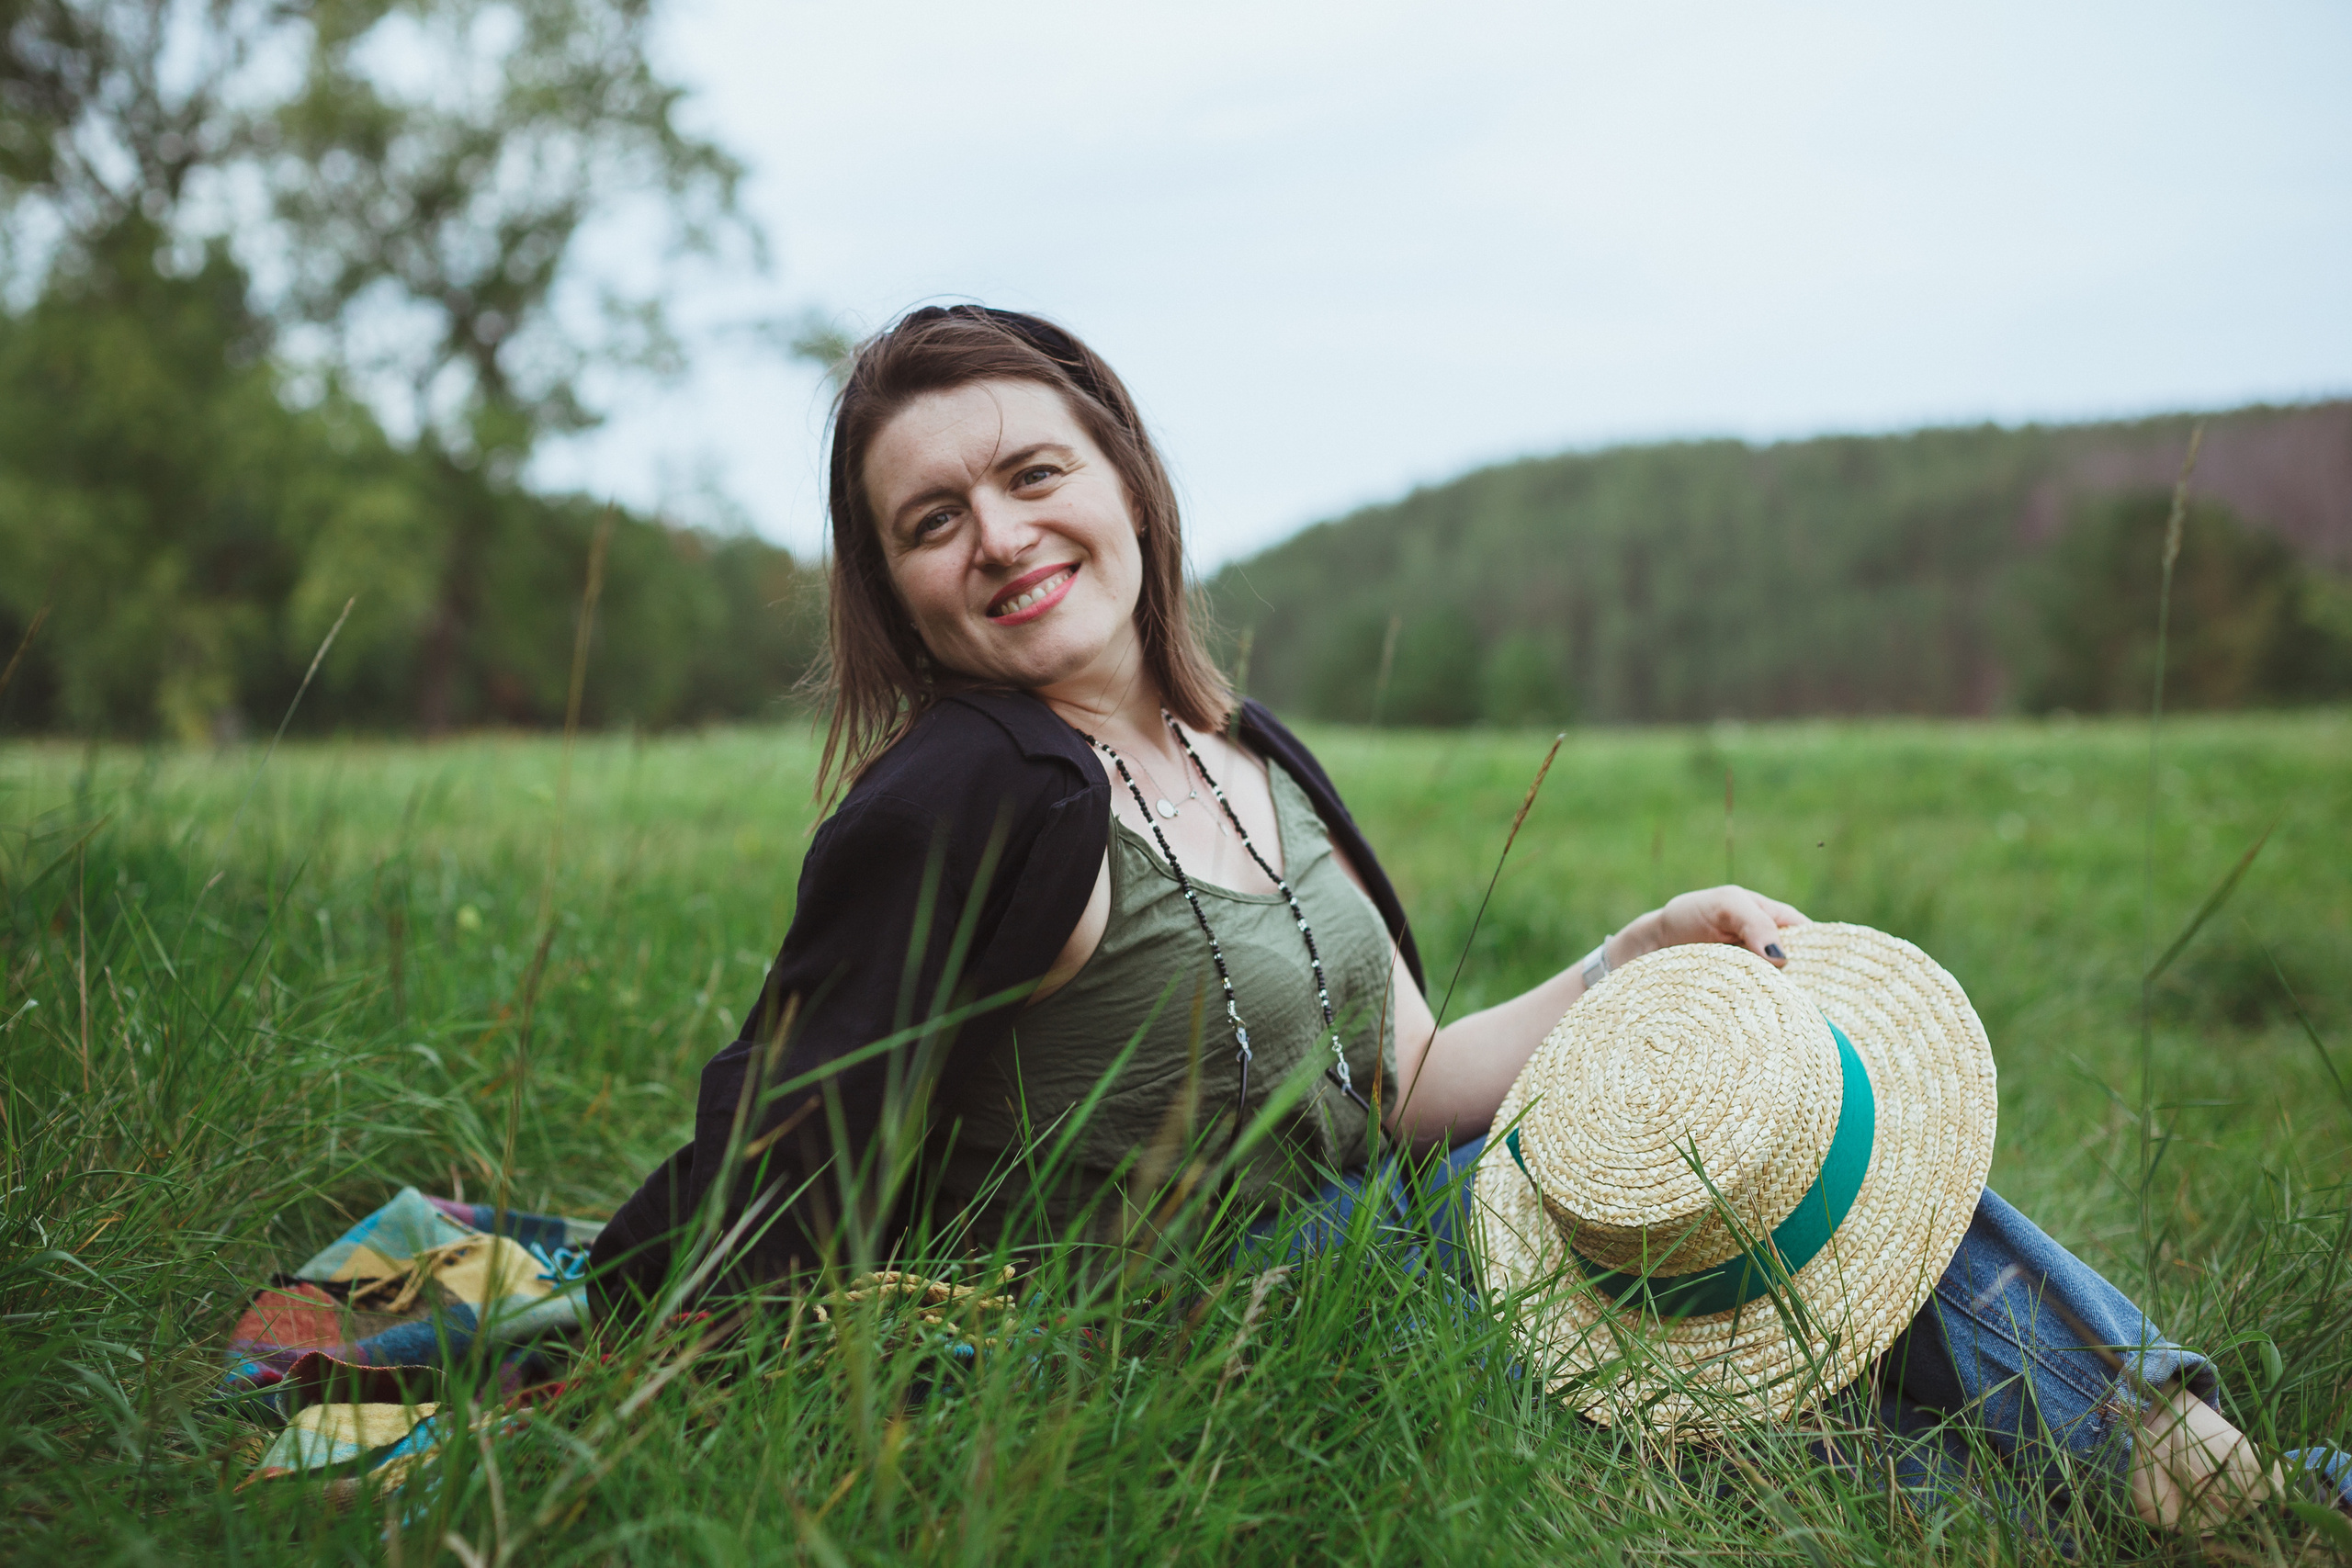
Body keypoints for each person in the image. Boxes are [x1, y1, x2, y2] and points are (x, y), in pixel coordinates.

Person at [589, 304, 2333, 1533]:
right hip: (1196, 1353)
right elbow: (783, 1125)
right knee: (1764, 1183)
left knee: (1798, 1193)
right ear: (893, 584)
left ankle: (2164, 1493)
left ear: (1123, 476)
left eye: (1034, 474)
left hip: (1384, 1271)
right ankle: (2212, 1480)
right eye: (933, 520)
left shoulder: (1245, 755)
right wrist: (636, 1347)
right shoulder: (970, 797)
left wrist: (1635, 963)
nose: (1001, 535)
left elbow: (1408, 1079)